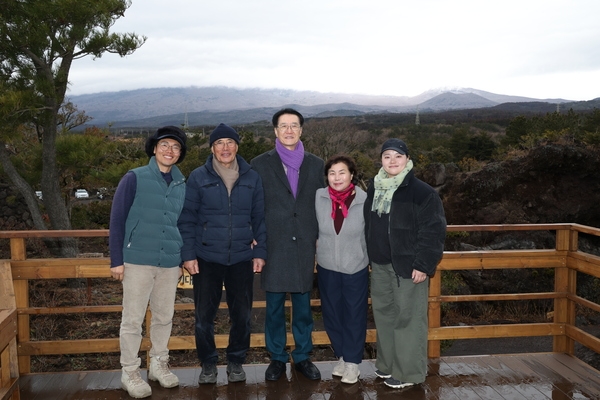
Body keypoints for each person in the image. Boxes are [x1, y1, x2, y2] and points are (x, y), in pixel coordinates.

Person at [178, 123, 267, 385]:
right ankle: (208, 364)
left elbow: (260, 218)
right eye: (219, 143)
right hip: (206, 258)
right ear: (212, 148)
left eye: (230, 142)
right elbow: (187, 218)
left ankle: (236, 361)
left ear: (237, 146)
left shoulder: (251, 177)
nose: (225, 148)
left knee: (242, 316)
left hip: (241, 257)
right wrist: (188, 254)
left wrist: (260, 251)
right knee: (204, 317)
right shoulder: (198, 177)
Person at [109, 126, 187, 398]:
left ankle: (158, 364)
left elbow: (181, 223)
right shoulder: (134, 177)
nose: (169, 151)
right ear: (154, 148)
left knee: (164, 317)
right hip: (137, 261)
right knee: (133, 319)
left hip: (169, 262)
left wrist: (181, 257)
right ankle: (129, 371)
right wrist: (116, 259)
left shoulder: (181, 184)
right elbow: (117, 219)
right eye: (164, 145)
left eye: (175, 147)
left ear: (180, 154)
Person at [364, 138, 446, 390]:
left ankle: (408, 372)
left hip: (409, 267)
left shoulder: (422, 193)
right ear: (381, 160)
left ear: (407, 160)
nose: (392, 161)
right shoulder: (374, 187)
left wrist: (423, 264)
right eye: (387, 156)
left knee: (408, 319)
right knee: (385, 316)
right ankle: (389, 364)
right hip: (380, 264)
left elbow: (433, 232)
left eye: (398, 156)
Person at [251, 108, 325, 381]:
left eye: (294, 125)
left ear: (301, 130)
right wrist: (255, 237)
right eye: (284, 126)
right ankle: (277, 357)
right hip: (274, 244)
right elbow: (253, 205)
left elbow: (325, 203)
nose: (289, 130)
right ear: (275, 131)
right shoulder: (260, 164)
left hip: (305, 244)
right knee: (273, 307)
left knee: (303, 306)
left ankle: (303, 356)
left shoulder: (316, 164)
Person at [315, 155, 369, 384]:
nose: (337, 178)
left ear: (352, 175)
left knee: (354, 315)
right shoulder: (319, 197)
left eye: (342, 172)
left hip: (355, 267)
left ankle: (353, 363)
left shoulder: (364, 199)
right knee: (332, 315)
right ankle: (342, 356)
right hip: (327, 266)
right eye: (332, 173)